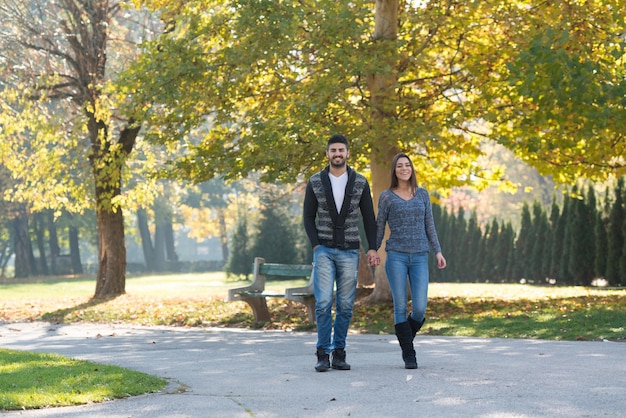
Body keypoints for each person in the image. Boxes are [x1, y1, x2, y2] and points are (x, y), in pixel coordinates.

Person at [303, 133, 380, 372]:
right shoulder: (315, 181)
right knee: (324, 302)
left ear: (347, 153)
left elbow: (369, 218)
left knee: (346, 305)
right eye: (333, 150)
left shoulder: (360, 182)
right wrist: (316, 244)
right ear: (327, 154)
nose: (337, 154)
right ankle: (322, 353)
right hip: (324, 249)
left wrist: (373, 247)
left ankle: (339, 352)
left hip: (349, 251)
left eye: (341, 150)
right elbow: (308, 217)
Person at [375, 152, 446, 369]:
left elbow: (429, 225)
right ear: (394, 171)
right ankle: (409, 354)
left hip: (420, 257)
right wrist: (373, 249)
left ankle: (405, 340)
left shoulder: (422, 194)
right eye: (399, 166)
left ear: (412, 169)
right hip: (395, 255)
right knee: (399, 306)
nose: (404, 168)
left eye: (407, 165)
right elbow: (379, 226)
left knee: (420, 309)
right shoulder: (387, 196)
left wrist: (438, 251)